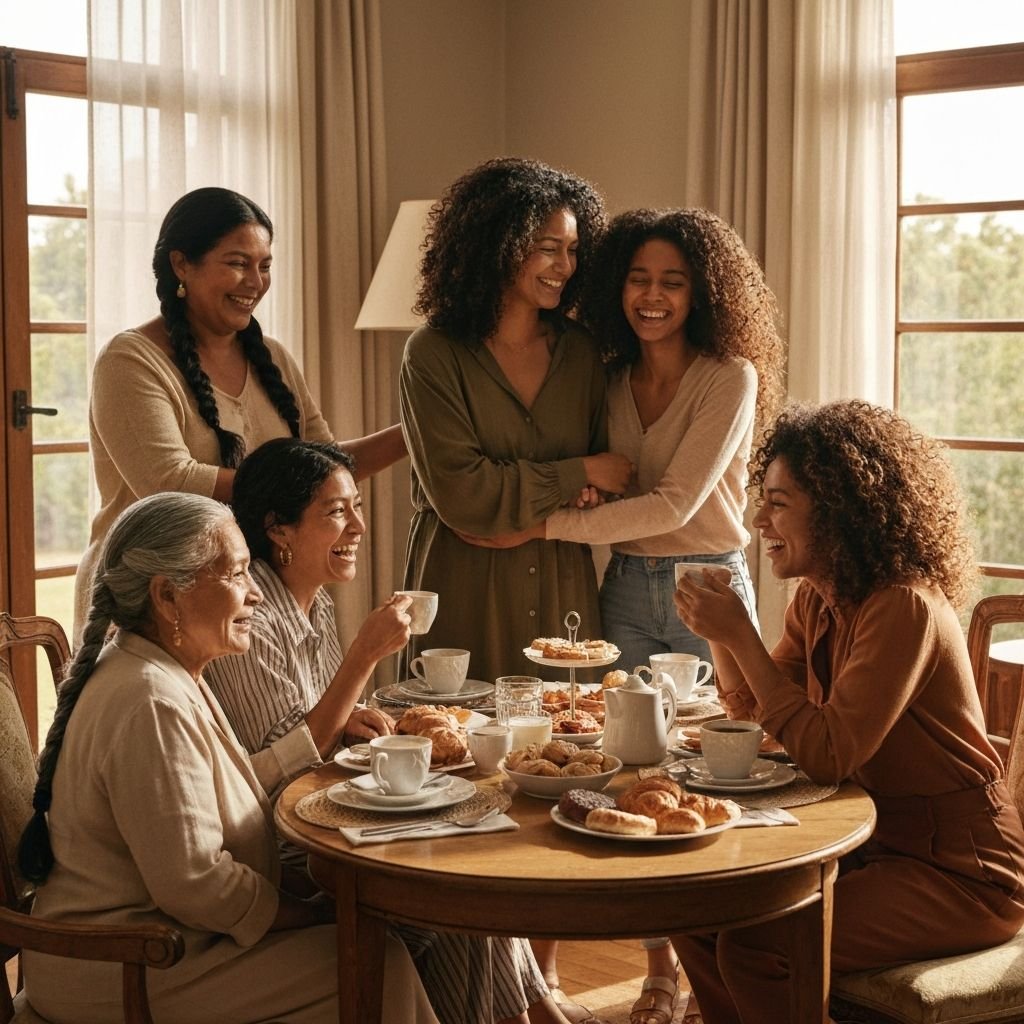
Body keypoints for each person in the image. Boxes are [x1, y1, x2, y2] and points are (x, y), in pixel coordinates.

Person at [458, 208, 785, 1024]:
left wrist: (541, 523)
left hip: (708, 588)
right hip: (626, 585)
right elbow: (597, 486)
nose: (653, 296)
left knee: (698, 779)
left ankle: (671, 974)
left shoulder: (730, 376)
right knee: (599, 763)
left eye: (672, 281)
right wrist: (576, 492)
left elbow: (672, 500)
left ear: (701, 291)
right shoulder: (604, 378)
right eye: (638, 278)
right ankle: (542, 979)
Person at [19, 492, 436, 1024]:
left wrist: (317, 747)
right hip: (124, 963)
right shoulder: (149, 698)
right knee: (379, 962)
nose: (257, 593)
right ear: (168, 597)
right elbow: (197, 884)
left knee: (382, 945)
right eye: (237, 573)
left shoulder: (161, 669)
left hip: (162, 942)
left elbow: (218, 788)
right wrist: (306, 912)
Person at [670, 400, 1024, 1024]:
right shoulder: (820, 598)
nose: (759, 520)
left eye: (778, 503)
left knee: (760, 946)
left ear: (836, 512)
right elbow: (758, 720)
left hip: (960, 871)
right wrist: (719, 633)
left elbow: (828, 752)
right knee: (699, 912)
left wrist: (742, 635)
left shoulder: (902, 606)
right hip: (873, 844)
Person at [205, 437, 578, 1024]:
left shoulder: (313, 602)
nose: (357, 525)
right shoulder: (252, 613)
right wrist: (362, 660)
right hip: (287, 840)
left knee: (464, 877)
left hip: (326, 809)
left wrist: (350, 714)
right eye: (336, 511)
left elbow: (314, 727)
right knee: (452, 890)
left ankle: (530, 1011)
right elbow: (280, 767)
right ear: (278, 530)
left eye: (357, 506)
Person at [74, 186, 405, 639]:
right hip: (153, 605)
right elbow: (171, 482)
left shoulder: (274, 357)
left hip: (251, 596)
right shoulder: (130, 361)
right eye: (237, 263)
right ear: (181, 265)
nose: (256, 281)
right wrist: (298, 490)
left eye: (265, 265)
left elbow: (326, 467)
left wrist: (415, 434)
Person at [399, 156, 633, 688]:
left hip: (561, 584)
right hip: (464, 584)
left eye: (573, 250)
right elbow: (464, 496)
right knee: (455, 747)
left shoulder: (581, 353)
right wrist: (576, 473)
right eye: (548, 248)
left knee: (570, 747)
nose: (566, 266)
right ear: (497, 246)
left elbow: (608, 485)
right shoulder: (432, 352)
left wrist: (582, 479)